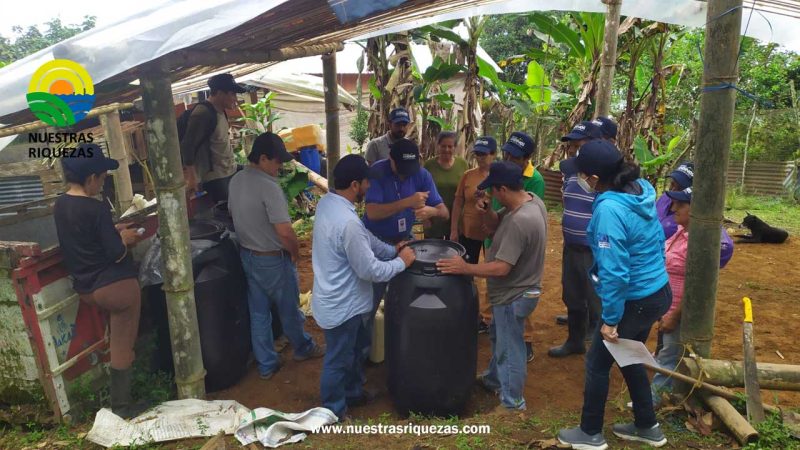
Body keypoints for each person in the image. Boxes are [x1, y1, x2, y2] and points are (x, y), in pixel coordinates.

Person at [558, 140, 671, 450]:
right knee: (628, 355)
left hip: (635, 298)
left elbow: (615, 271)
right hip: (658, 291)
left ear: (594, 178)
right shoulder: (641, 189)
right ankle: (647, 426)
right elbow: (655, 239)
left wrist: (610, 319)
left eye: (581, 174)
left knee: (597, 363)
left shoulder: (609, 209)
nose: (579, 179)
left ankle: (590, 432)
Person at [312, 155, 416, 421]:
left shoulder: (329, 204)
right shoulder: (348, 223)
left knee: (356, 350)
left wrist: (391, 250)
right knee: (338, 360)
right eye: (367, 182)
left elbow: (364, 237)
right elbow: (370, 271)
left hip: (343, 300)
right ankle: (334, 410)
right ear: (355, 185)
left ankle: (353, 393)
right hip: (343, 306)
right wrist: (401, 263)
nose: (370, 187)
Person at [437, 161, 547, 413]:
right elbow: (497, 224)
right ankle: (494, 380)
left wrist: (465, 268)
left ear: (503, 189)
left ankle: (512, 404)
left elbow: (501, 268)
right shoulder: (531, 202)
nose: (490, 195)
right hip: (520, 289)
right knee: (501, 337)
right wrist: (486, 211)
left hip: (513, 293)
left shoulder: (521, 220)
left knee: (510, 348)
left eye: (492, 190)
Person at [53, 143, 148, 419]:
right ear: (90, 177)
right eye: (102, 178)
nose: (103, 183)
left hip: (86, 288)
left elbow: (86, 240)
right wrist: (125, 238)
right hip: (116, 289)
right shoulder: (95, 209)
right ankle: (122, 407)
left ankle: (119, 403)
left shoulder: (60, 205)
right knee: (122, 344)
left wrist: (112, 230)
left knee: (117, 340)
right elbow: (116, 253)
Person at [228, 132, 324, 380]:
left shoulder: (236, 180)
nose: (279, 166)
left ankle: (266, 365)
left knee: (259, 313)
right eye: (277, 161)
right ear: (262, 158)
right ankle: (303, 348)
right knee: (289, 308)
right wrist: (295, 254)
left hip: (248, 255)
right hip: (272, 259)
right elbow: (285, 231)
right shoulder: (269, 187)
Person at [363, 138, 448, 355]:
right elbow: (372, 212)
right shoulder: (378, 172)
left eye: (409, 170)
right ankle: (362, 354)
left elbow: (444, 211)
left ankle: (400, 350)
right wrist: (408, 202)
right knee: (369, 303)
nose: (405, 175)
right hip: (376, 242)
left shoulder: (421, 174)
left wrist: (432, 211)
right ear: (390, 159)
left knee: (405, 298)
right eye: (401, 169)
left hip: (405, 242)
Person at [649, 186, 733, 406]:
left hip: (680, 311)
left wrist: (674, 316)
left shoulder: (699, 243)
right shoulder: (681, 232)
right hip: (668, 307)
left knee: (668, 356)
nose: (673, 208)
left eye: (681, 204)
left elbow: (696, 288)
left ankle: (653, 403)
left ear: (695, 209)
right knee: (668, 353)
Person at [484, 132, 543, 361]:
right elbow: (496, 219)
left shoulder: (533, 183)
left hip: (516, 248)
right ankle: (495, 372)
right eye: (507, 153)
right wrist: (487, 210)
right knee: (499, 302)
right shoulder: (501, 174)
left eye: (515, 156)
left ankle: (523, 341)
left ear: (527, 158)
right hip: (499, 240)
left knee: (514, 297)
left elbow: (524, 223)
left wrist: (464, 268)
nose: (509, 158)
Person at [549, 121, 604, 358]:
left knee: (596, 300)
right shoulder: (570, 174)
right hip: (571, 248)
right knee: (572, 296)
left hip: (594, 252)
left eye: (577, 145)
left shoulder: (604, 180)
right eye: (571, 146)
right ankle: (575, 341)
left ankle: (601, 351)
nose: (572, 150)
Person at [450, 136, 496, 332]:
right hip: (468, 231)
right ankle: (469, 313)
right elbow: (458, 202)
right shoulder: (468, 176)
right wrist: (454, 229)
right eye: (477, 154)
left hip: (493, 233)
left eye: (484, 154)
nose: (480, 158)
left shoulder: (500, 176)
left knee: (493, 275)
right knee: (466, 274)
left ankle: (490, 318)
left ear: (493, 155)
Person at [181, 73, 246, 203]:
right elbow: (188, 146)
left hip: (228, 171)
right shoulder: (203, 113)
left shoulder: (221, 111)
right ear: (220, 93)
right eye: (232, 94)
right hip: (215, 178)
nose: (235, 98)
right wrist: (192, 178)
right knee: (225, 211)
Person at [424, 131, 468, 239]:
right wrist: (425, 218)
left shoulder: (462, 165)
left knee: (452, 249)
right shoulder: (429, 165)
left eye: (450, 146)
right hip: (434, 220)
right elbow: (422, 191)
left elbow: (465, 192)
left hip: (456, 221)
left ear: (455, 148)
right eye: (443, 146)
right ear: (438, 146)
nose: (446, 149)